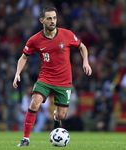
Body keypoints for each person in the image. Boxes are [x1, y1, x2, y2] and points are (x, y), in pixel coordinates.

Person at [13, 6, 92, 146]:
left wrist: (86, 62)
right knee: (34, 103)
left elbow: (82, 47)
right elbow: (23, 57)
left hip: (64, 80)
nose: (52, 21)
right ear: (42, 20)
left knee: (62, 115)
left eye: (54, 18)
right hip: (45, 78)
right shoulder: (34, 40)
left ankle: (56, 118)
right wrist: (17, 74)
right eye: (49, 18)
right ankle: (25, 139)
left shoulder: (66, 34)